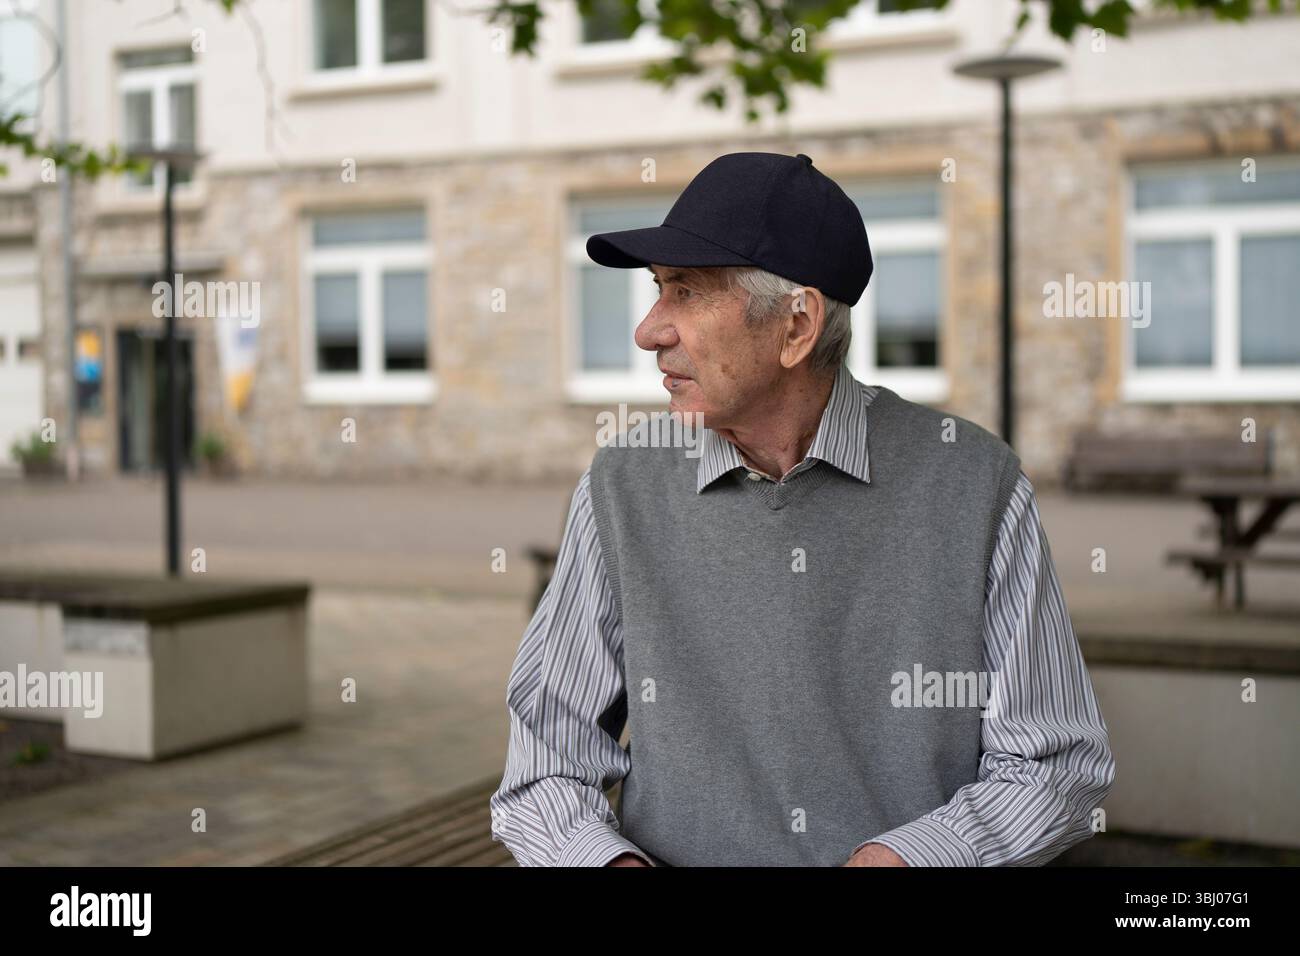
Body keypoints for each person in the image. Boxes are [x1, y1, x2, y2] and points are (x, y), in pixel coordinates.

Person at [489, 151, 1115, 867]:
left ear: (796, 325)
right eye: (658, 291)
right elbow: (544, 763)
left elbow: (1057, 762)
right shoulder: (621, 484)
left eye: (686, 293)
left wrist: (909, 860)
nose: (650, 330)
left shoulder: (974, 481)